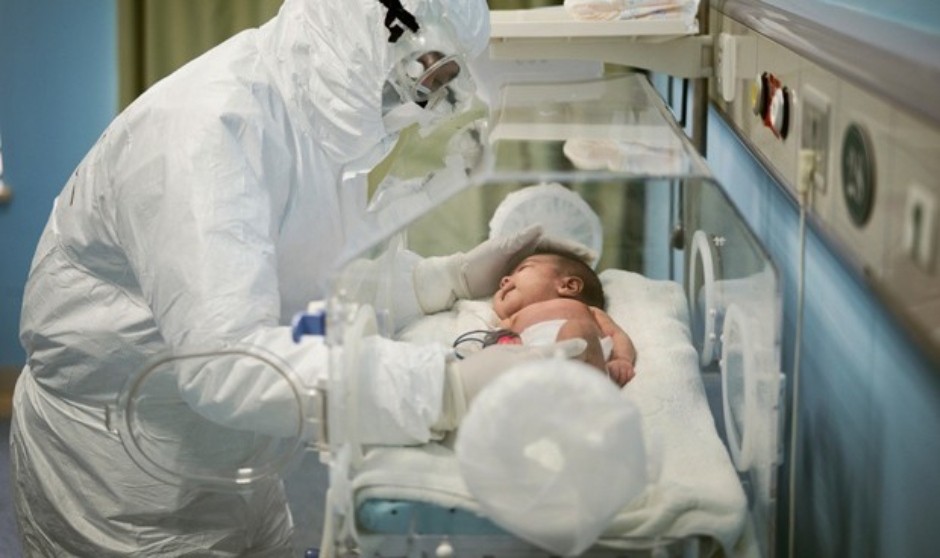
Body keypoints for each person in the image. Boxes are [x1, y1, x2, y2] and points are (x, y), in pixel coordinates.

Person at [10, 1, 572, 555]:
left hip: (236, 450)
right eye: (428, 74)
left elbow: (308, 282)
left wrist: (442, 280)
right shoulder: (208, 130)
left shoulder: (321, 118)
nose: (426, 101)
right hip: (124, 475)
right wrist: (441, 389)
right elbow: (226, 365)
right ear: (376, 32)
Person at [458, 248, 637, 387]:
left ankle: (580, 394)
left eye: (523, 269)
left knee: (578, 330)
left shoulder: (586, 310)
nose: (504, 280)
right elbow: (494, 343)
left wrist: (621, 359)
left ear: (569, 286)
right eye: (504, 280)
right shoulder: (512, 320)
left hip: (581, 364)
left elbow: (616, 335)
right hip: (531, 366)